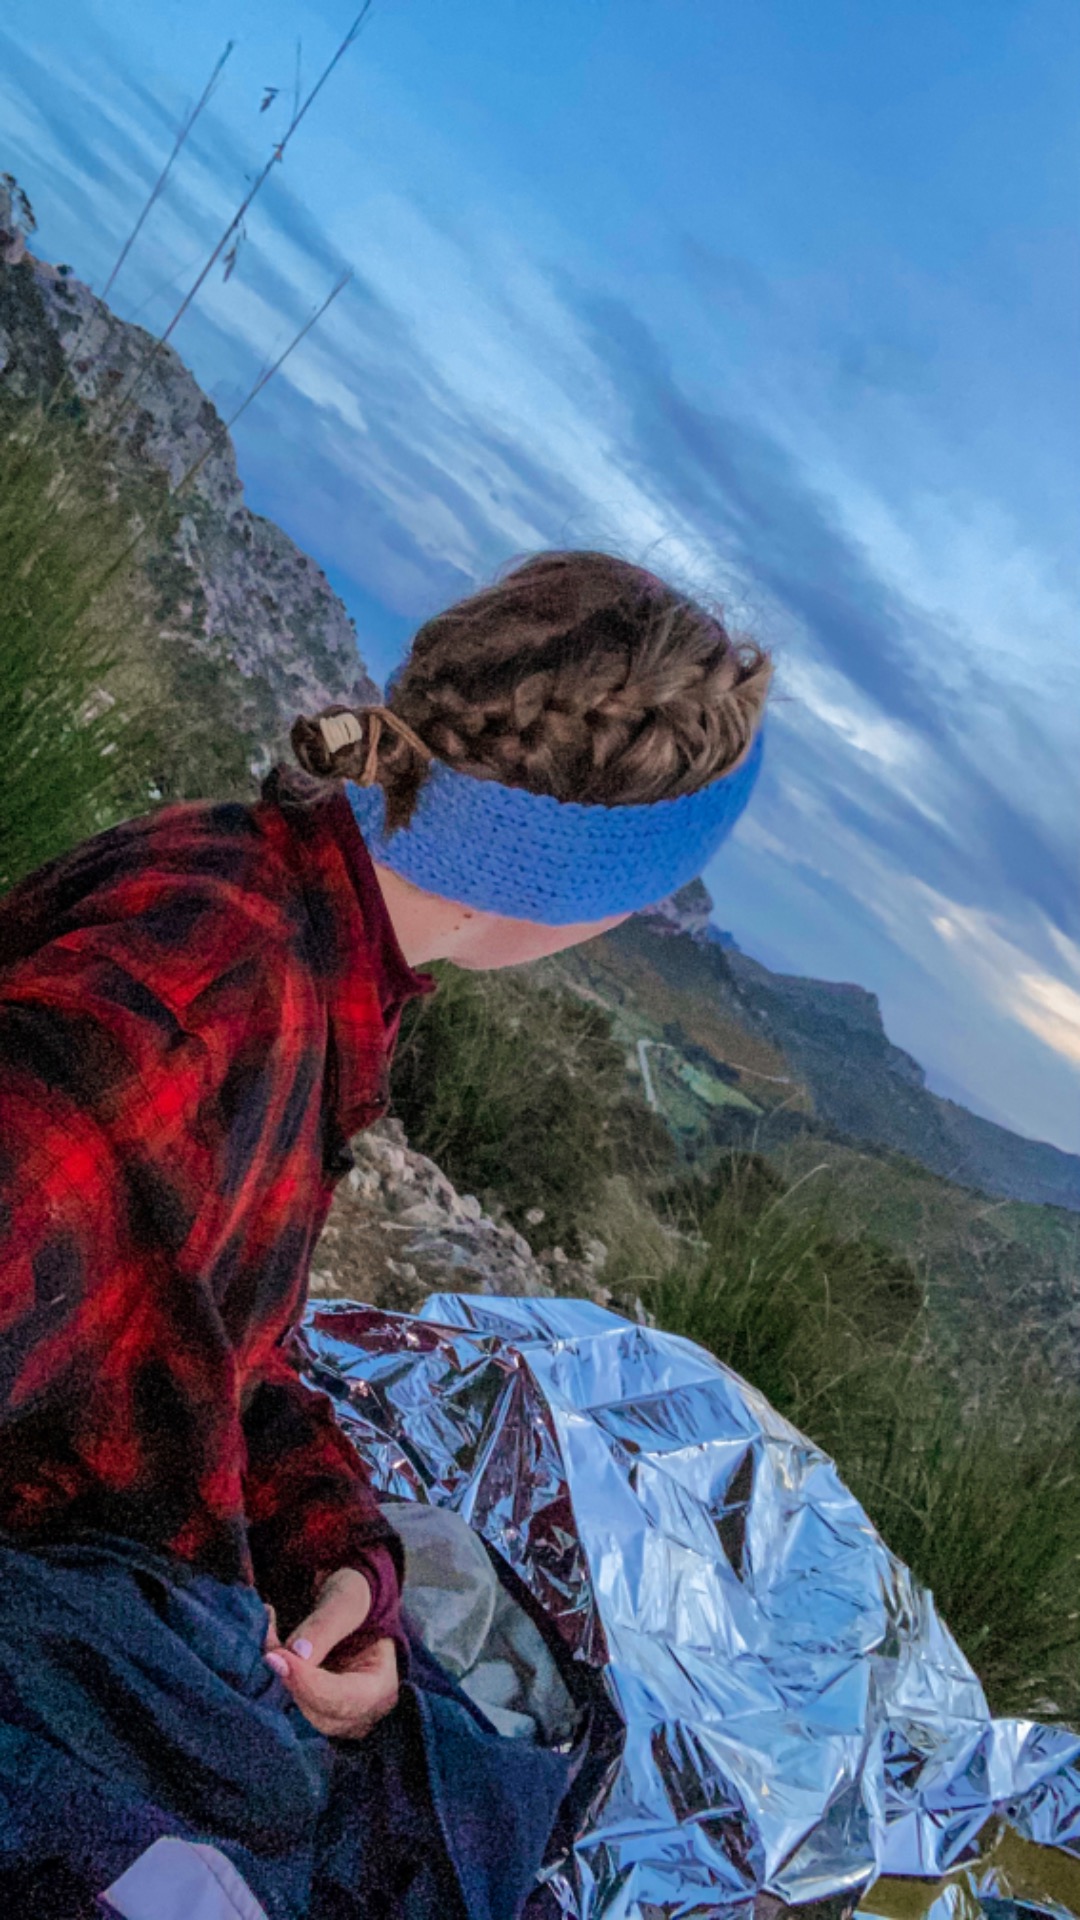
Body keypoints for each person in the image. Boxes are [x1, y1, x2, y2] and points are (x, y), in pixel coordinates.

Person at [0, 549, 771, 1917]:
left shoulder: (294, 915)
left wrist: (346, 1568)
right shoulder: (212, 989)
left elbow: (221, 1344)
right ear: (572, 884)